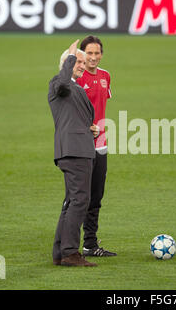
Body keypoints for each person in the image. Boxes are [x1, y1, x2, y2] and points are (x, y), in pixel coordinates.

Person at [48, 39, 100, 267]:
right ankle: (70, 252)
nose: (82, 64)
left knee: (72, 201)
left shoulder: (75, 88)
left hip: (79, 147)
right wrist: (69, 59)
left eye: (81, 61)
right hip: (75, 151)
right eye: (78, 61)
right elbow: (61, 85)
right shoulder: (59, 83)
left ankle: (60, 252)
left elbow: (74, 117)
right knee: (80, 200)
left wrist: (92, 129)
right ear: (67, 64)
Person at [76, 35, 116, 257]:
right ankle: (68, 244)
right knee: (77, 196)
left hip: (101, 145)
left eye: (97, 53)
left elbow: (100, 108)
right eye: (89, 53)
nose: (93, 57)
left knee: (96, 197)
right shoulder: (76, 78)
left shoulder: (106, 76)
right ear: (82, 55)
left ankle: (90, 244)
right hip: (80, 146)